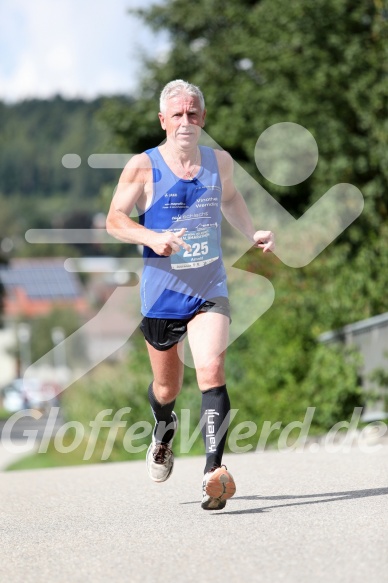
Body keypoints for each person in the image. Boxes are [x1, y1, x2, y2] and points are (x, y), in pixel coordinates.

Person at [106, 79, 275, 511]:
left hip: (208, 286)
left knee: (212, 369)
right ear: (163, 120)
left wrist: (251, 230)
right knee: (167, 388)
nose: (185, 121)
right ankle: (164, 430)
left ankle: (212, 474)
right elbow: (114, 220)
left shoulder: (219, 162)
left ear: (203, 118)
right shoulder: (142, 167)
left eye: (193, 113)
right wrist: (152, 236)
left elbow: (232, 200)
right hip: (162, 294)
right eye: (177, 114)